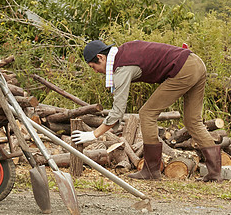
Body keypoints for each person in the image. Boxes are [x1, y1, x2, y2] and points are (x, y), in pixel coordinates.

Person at [71, 40, 223, 182]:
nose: (96, 71)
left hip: (184, 68)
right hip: (196, 63)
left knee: (147, 113)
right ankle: (214, 173)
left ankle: (151, 170)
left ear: (100, 57)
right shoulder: (123, 52)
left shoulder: (121, 67)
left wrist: (93, 134)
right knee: (192, 121)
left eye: (93, 66)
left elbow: (117, 112)